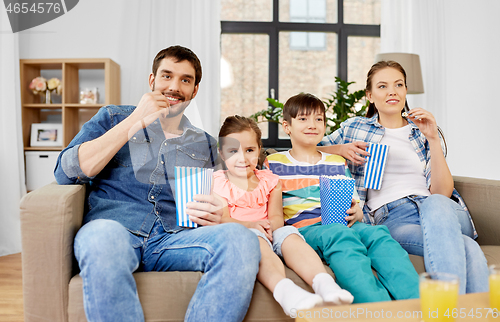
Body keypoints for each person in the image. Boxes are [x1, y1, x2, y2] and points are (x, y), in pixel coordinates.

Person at [54, 46, 261, 322]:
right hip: (116, 231)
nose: (174, 87)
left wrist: (220, 213)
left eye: (185, 80)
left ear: (195, 90)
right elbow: (66, 171)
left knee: (241, 240)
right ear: (152, 80)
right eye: (167, 76)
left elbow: (243, 179)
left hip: (174, 239)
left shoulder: (207, 144)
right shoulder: (112, 117)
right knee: (98, 237)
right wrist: (134, 121)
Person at [319, 60, 489, 294]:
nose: (392, 91)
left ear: (406, 90)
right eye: (382, 86)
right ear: (369, 95)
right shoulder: (354, 127)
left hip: (440, 210)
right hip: (393, 216)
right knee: (468, 247)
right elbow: (305, 150)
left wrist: (433, 138)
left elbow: (441, 193)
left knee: (437, 203)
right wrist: (340, 149)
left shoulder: (421, 130)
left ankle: (444, 312)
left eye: (399, 84)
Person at [264, 93, 420, 303]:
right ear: (287, 126)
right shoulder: (273, 163)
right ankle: (377, 310)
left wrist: (357, 211)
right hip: (305, 231)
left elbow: (352, 200)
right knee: (339, 236)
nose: (312, 124)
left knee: (379, 236)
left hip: (342, 224)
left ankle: (418, 305)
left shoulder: (337, 161)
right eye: (303, 119)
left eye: (319, 119)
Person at [213, 115, 353, 316]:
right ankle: (286, 291)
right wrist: (253, 225)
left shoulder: (270, 181)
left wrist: (273, 228)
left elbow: (277, 215)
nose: (242, 158)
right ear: (222, 153)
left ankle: (325, 284)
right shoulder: (218, 182)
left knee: (290, 234)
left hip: (271, 230)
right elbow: (223, 218)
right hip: (244, 233)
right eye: (233, 151)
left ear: (259, 149)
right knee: (256, 239)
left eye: (249, 150)